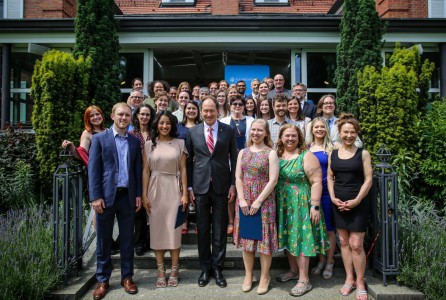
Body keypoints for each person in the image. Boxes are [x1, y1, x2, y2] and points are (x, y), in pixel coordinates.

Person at [88, 102, 142, 300]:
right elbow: (93, 169)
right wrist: (95, 197)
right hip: (105, 197)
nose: (124, 118)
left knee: (127, 240)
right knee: (103, 241)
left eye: (127, 115)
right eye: (120, 114)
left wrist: (137, 194)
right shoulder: (100, 139)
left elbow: (137, 170)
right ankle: (102, 280)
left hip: (127, 196)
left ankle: (127, 277)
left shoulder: (135, 141)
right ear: (112, 116)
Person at [186, 97, 238, 288]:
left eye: (211, 111)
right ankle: (205, 268)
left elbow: (235, 157)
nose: (208, 114)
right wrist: (189, 187)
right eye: (205, 111)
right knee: (202, 230)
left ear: (218, 111)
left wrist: (233, 185)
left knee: (219, 230)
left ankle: (217, 268)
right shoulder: (193, 132)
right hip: (199, 187)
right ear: (201, 112)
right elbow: (188, 161)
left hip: (222, 186)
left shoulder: (228, 130)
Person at [275, 124, 329, 297]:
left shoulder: (306, 155)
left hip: (301, 203)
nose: (290, 139)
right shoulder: (278, 155)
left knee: (301, 240)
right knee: (289, 238)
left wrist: (315, 206)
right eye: (287, 136)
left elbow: (316, 181)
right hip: (284, 203)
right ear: (281, 138)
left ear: (299, 138)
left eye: (294, 136)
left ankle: (304, 280)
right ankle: (293, 271)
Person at [327, 114, 372, 300]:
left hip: (358, 203)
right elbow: (330, 177)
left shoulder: (363, 153)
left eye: (352, 132)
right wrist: (332, 197)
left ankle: (360, 281)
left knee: (356, 243)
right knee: (343, 242)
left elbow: (369, 179)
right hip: (338, 202)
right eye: (345, 132)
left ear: (357, 134)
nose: (348, 135)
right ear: (340, 132)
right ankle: (349, 278)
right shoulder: (333, 154)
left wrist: (357, 200)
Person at [142, 111, 188, 288]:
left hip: (174, 189)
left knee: (174, 231)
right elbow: (146, 170)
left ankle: (175, 270)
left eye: (168, 123)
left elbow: (183, 170)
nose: (164, 126)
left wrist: (184, 193)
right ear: (156, 124)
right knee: (157, 231)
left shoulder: (180, 143)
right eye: (161, 123)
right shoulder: (148, 145)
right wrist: (145, 194)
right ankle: (161, 270)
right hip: (155, 189)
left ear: (172, 125)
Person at [233, 119, 279, 295]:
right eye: (253, 130)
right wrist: (242, 199)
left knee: (264, 242)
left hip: (264, 201)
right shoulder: (242, 152)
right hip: (245, 201)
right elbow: (238, 177)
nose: (256, 133)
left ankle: (265, 276)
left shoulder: (271, 153)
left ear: (266, 133)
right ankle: (248, 274)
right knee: (247, 241)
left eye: (260, 130)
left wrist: (258, 201)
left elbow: (273, 180)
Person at [308, 117, 340, 279]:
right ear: (311, 129)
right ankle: (320, 259)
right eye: (316, 127)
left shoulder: (332, 148)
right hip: (311, 193)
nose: (319, 129)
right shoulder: (306, 148)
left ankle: (329, 261)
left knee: (328, 229)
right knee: (315, 228)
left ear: (326, 129)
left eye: (322, 127)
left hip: (327, 193)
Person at [221, 95, 255, 236]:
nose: (237, 106)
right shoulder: (223, 121)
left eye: (240, 104)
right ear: (230, 105)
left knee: (245, 190)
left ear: (244, 106)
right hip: (228, 160)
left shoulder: (251, 120)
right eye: (234, 104)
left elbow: (253, 138)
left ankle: (243, 222)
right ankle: (231, 221)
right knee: (231, 192)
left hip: (247, 158)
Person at [129, 104, 155, 257]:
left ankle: (152, 241)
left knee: (153, 209)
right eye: (142, 114)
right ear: (137, 116)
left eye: (148, 114)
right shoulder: (131, 134)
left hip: (154, 175)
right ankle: (139, 243)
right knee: (138, 210)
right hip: (137, 175)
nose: (145, 117)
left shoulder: (155, 134)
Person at [176, 100, 202, 234]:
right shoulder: (178, 127)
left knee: (198, 192)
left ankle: (199, 221)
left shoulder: (202, 126)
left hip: (198, 164)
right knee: (182, 192)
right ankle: (183, 221)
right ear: (184, 110)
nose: (191, 111)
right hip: (181, 164)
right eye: (188, 108)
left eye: (194, 109)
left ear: (198, 111)